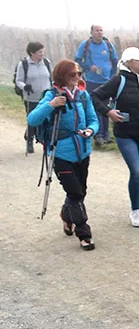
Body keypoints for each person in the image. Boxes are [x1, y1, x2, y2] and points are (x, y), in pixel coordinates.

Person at [27, 60, 99, 250]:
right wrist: (51, 105)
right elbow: (32, 119)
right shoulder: (52, 96)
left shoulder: (82, 96)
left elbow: (93, 120)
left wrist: (90, 131)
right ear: (62, 76)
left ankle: (67, 216)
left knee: (80, 190)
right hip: (61, 154)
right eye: (73, 75)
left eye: (79, 74)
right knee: (75, 193)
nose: (77, 78)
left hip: (83, 150)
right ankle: (84, 233)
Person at [92, 47, 139, 228]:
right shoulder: (118, 81)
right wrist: (108, 112)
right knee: (137, 171)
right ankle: (135, 211)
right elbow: (95, 97)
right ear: (129, 62)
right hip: (125, 134)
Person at [74, 25, 119, 144]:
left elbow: (115, 61)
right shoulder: (85, 45)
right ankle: (98, 134)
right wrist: (89, 67)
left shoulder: (108, 45)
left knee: (106, 107)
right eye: (97, 31)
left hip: (106, 82)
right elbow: (77, 59)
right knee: (95, 107)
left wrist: (112, 76)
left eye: (101, 30)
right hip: (91, 81)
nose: (99, 33)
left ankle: (106, 135)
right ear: (91, 32)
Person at [15, 41, 52, 154]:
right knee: (32, 120)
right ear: (32, 53)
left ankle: (46, 142)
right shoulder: (24, 64)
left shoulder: (46, 62)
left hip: (46, 97)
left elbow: (51, 77)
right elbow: (18, 81)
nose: (42, 54)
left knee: (46, 120)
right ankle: (30, 139)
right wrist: (25, 86)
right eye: (40, 52)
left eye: (42, 51)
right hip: (31, 98)